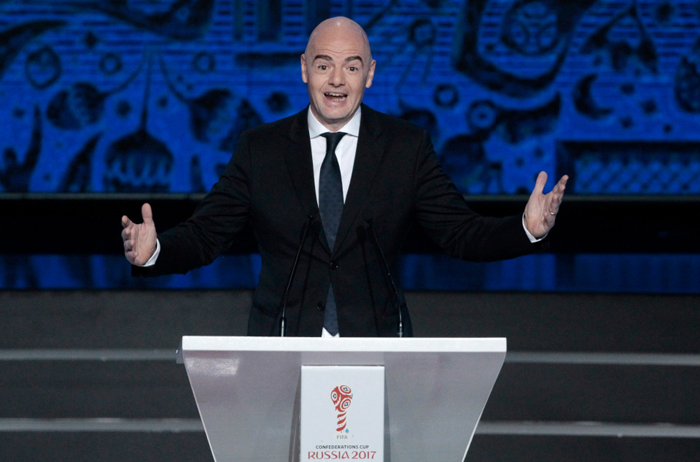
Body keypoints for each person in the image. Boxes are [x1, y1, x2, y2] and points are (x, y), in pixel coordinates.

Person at [121, 17, 568, 337]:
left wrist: (526, 228)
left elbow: (461, 233)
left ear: (369, 74)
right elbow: (207, 235)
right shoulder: (262, 149)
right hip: (283, 344)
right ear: (304, 69)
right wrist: (154, 251)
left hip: (375, 344)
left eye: (352, 67)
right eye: (324, 65)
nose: (337, 81)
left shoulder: (405, 147)